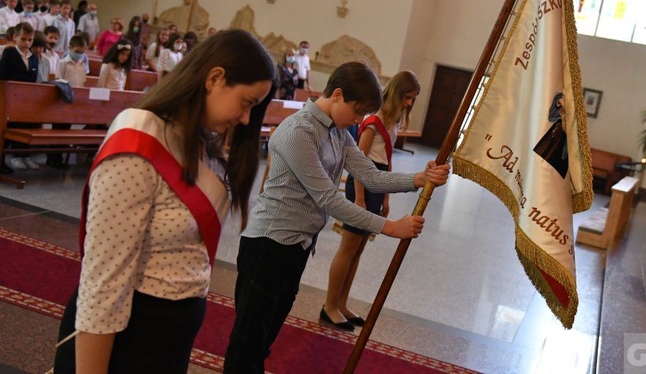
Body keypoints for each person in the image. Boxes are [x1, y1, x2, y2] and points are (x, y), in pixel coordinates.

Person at [53, 29, 276, 374]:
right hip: (126, 339)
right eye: (247, 102)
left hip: (166, 341)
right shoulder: (137, 142)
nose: (247, 119)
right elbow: (104, 285)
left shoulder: (200, 137)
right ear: (215, 78)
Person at [223, 61, 450, 373]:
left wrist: (418, 180)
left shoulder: (339, 133)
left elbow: (370, 176)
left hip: (296, 248)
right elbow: (328, 198)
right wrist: (390, 228)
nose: (359, 120)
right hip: (267, 245)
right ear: (338, 95)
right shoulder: (297, 131)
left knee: (263, 340)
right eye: (357, 112)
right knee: (247, 343)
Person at [323, 70, 421, 329]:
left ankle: (342, 303)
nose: (409, 103)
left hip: (378, 187)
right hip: (362, 187)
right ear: (397, 92)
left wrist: (386, 198)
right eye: (407, 97)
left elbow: (387, 163)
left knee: (359, 249)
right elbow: (360, 162)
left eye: (413, 99)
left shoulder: (393, 122)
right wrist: (361, 201)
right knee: (348, 247)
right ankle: (329, 306)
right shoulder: (374, 122)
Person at [0, 22, 40, 171]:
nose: (27, 43)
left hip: (26, 101)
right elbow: (2, 76)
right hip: (9, 99)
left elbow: (33, 81)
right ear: (15, 37)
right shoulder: (9, 53)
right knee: (5, 130)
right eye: (23, 39)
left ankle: (23, 155)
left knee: (27, 125)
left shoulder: (33, 58)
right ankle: (3, 160)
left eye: (30, 40)